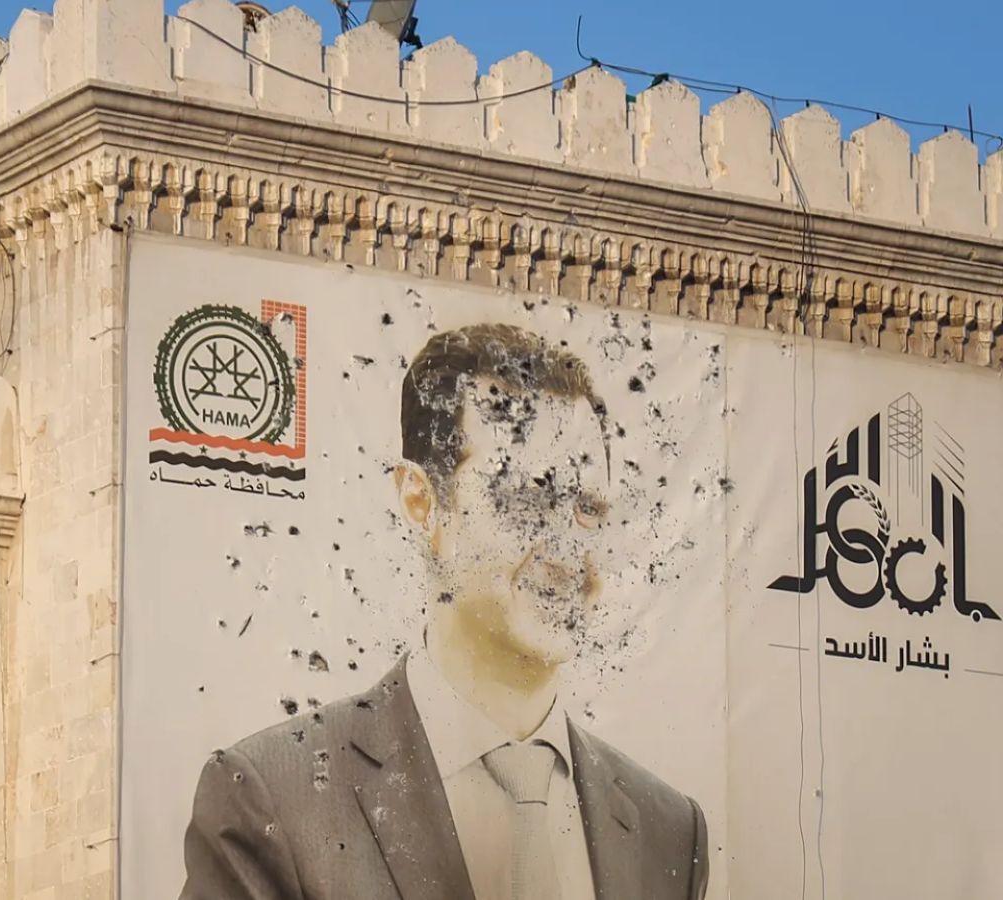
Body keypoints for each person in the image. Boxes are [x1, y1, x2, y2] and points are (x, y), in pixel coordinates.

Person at [180, 323, 708, 900]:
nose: (564, 549)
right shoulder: (275, 800)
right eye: (527, 497)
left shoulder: (669, 830)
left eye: (588, 507)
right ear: (421, 500)